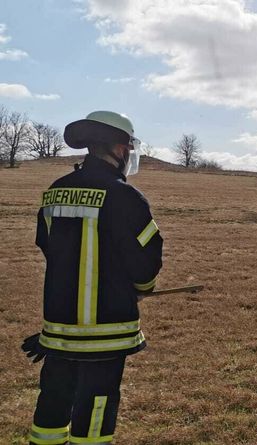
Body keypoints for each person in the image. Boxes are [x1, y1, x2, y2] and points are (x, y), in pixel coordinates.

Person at [21, 111, 162, 445]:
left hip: (59, 327)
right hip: (107, 330)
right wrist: (140, 289)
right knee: (97, 404)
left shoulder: (55, 191)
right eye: (128, 148)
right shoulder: (125, 196)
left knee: (53, 399)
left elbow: (48, 245)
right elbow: (146, 259)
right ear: (119, 148)